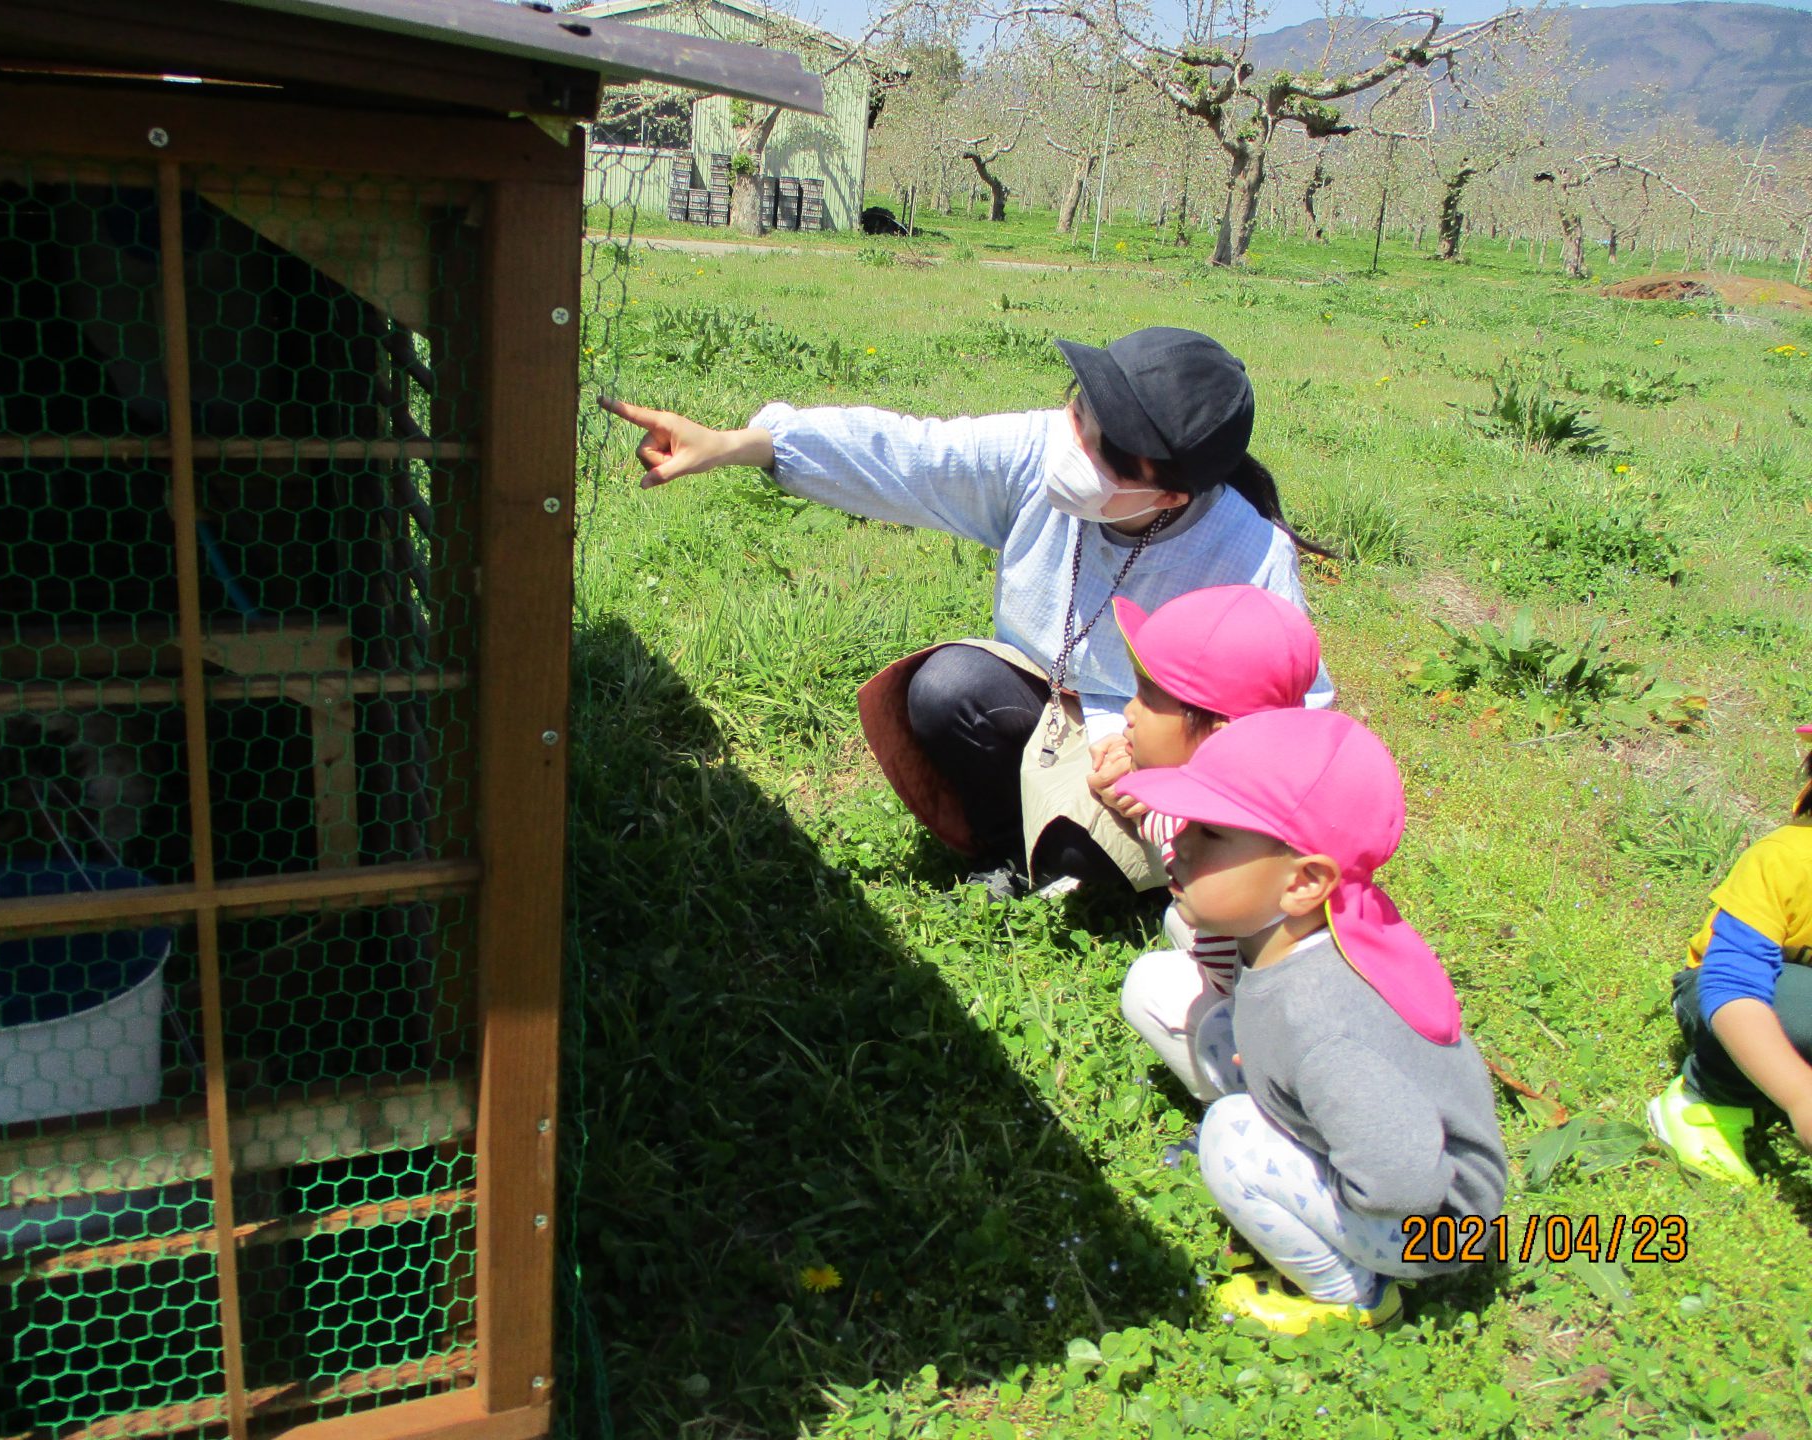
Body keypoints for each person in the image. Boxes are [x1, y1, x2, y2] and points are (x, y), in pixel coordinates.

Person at [601, 326, 1333, 897]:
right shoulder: (1038, 452)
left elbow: (1291, 726)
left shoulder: (1247, 556)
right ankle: (1006, 845)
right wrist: (741, 445)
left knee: (1084, 859)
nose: (1074, 447)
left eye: (1106, 453)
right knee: (948, 689)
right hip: (1036, 688)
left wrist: (1167, 768)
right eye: (1079, 413)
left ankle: (1075, 860)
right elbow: (910, 457)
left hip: (1147, 740)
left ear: (1169, 496)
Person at [1112, 710, 1505, 1334]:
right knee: (1211, 1025)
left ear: (1304, 882)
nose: (1179, 843)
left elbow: (1406, 1178)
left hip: (1435, 1223)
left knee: (1231, 1139)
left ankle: (1352, 1295)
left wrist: (1306, 1151)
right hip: (1392, 1155)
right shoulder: (1302, 931)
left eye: (1210, 833)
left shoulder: (1321, 1023)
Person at [1106, 585, 1323, 1101]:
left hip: (1292, 1035)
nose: (1129, 713)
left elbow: (1163, 830)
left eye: (1148, 698)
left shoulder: (1214, 838)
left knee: (1151, 985)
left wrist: (1134, 791)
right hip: (1305, 988)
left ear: (1217, 734)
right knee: (1178, 919)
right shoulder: (1288, 789)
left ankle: (1253, 1107)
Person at [1645, 722, 1812, 1185]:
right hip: (1731, 999)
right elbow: (1733, 987)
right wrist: (1801, 1096)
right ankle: (1707, 1101)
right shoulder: (1786, 860)